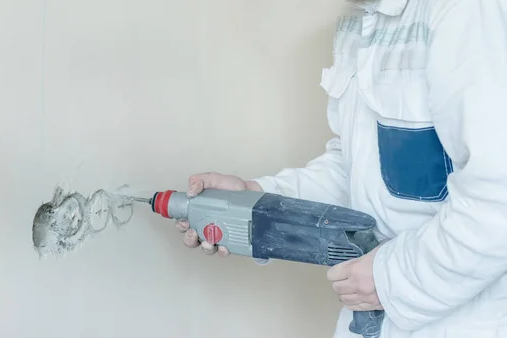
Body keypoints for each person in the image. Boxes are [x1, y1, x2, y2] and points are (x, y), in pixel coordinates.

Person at [173, 0, 507, 337]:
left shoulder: (467, 12)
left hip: (465, 319)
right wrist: (255, 199)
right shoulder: (362, 17)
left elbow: (498, 197)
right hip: (373, 315)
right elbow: (355, 169)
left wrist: (392, 278)